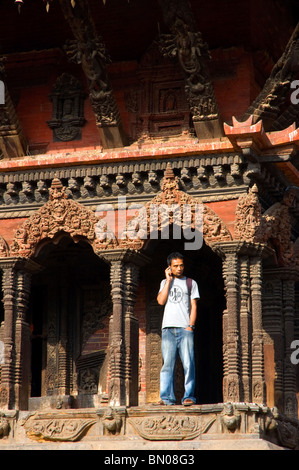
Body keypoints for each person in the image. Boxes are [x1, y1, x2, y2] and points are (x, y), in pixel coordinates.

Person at [156, 252, 200, 406]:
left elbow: (194, 306)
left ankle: (189, 396)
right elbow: (161, 301)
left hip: (185, 328)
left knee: (188, 363)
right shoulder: (164, 282)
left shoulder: (190, 283)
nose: (179, 268)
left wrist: (191, 326)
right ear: (170, 267)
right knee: (167, 364)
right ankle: (166, 398)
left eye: (181, 265)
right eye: (175, 266)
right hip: (168, 329)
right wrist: (168, 280)